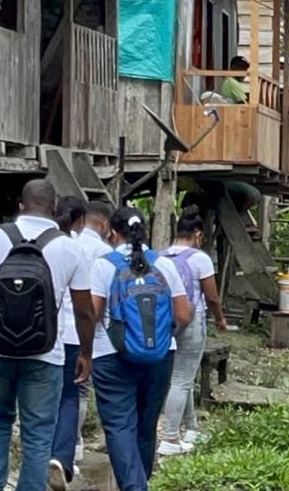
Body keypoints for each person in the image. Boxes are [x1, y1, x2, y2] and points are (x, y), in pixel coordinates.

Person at [0, 179, 94, 491]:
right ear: (53, 210)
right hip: (46, 352)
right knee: (39, 431)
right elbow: (83, 310)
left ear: (21, 206)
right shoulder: (69, 247)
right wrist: (86, 353)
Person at [90, 208, 191, 490]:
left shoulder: (104, 265)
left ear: (112, 231)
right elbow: (183, 314)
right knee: (146, 426)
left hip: (111, 356)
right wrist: (162, 334)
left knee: (120, 426)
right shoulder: (165, 264)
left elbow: (93, 314)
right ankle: (141, 482)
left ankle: (135, 487)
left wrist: (86, 351)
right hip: (160, 356)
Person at [50, 198, 112, 489]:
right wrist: (88, 348)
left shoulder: (40, 242)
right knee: (73, 395)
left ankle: (43, 454)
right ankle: (69, 452)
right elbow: (87, 308)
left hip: (39, 335)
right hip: (75, 334)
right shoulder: (93, 251)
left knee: (41, 397)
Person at [158, 206, 229, 456]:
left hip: (164, 323)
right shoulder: (200, 259)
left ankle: (191, 427)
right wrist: (220, 319)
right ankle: (169, 437)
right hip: (192, 321)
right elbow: (212, 297)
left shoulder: (160, 257)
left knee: (180, 377)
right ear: (197, 234)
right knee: (182, 379)